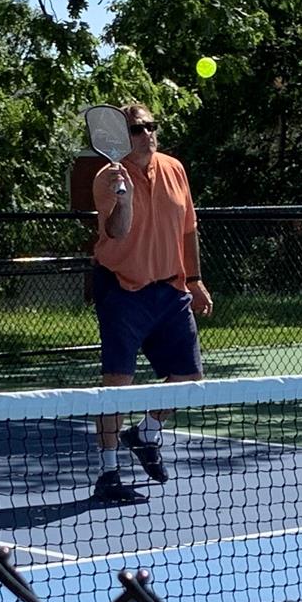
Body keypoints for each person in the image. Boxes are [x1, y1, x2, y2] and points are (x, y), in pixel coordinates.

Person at [88, 101, 214, 504]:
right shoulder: (108, 178)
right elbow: (117, 233)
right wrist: (123, 199)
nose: (147, 134)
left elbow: (189, 229)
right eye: (137, 130)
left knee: (189, 379)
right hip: (121, 290)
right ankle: (108, 473)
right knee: (117, 386)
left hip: (170, 290)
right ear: (121, 138)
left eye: (150, 126)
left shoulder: (175, 168)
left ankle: (146, 433)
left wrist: (193, 279)